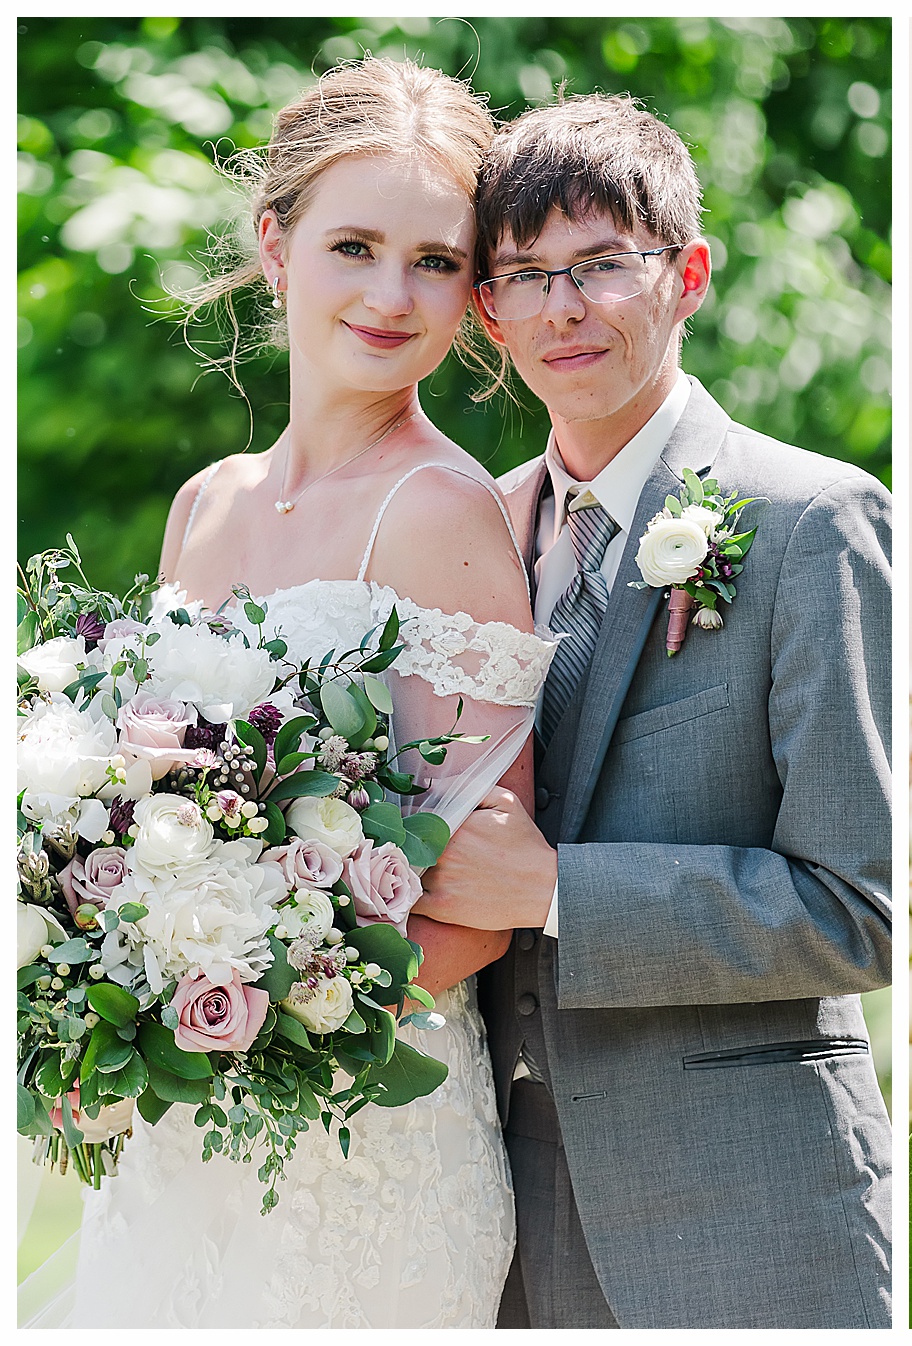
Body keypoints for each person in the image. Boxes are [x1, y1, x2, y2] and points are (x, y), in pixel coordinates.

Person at [63, 58, 555, 1328]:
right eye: (354, 245)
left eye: (437, 261)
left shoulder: (440, 513)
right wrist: (92, 982)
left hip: (356, 1142)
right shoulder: (207, 499)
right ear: (277, 248)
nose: (393, 296)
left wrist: (250, 1025)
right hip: (177, 1136)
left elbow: (477, 903)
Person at [410, 94, 893, 1328]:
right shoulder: (466, 533)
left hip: (747, 1214)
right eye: (524, 275)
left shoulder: (810, 522)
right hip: (500, 1215)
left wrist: (558, 890)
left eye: (603, 266)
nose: (563, 309)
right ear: (488, 310)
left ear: (688, 274)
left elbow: (863, 906)